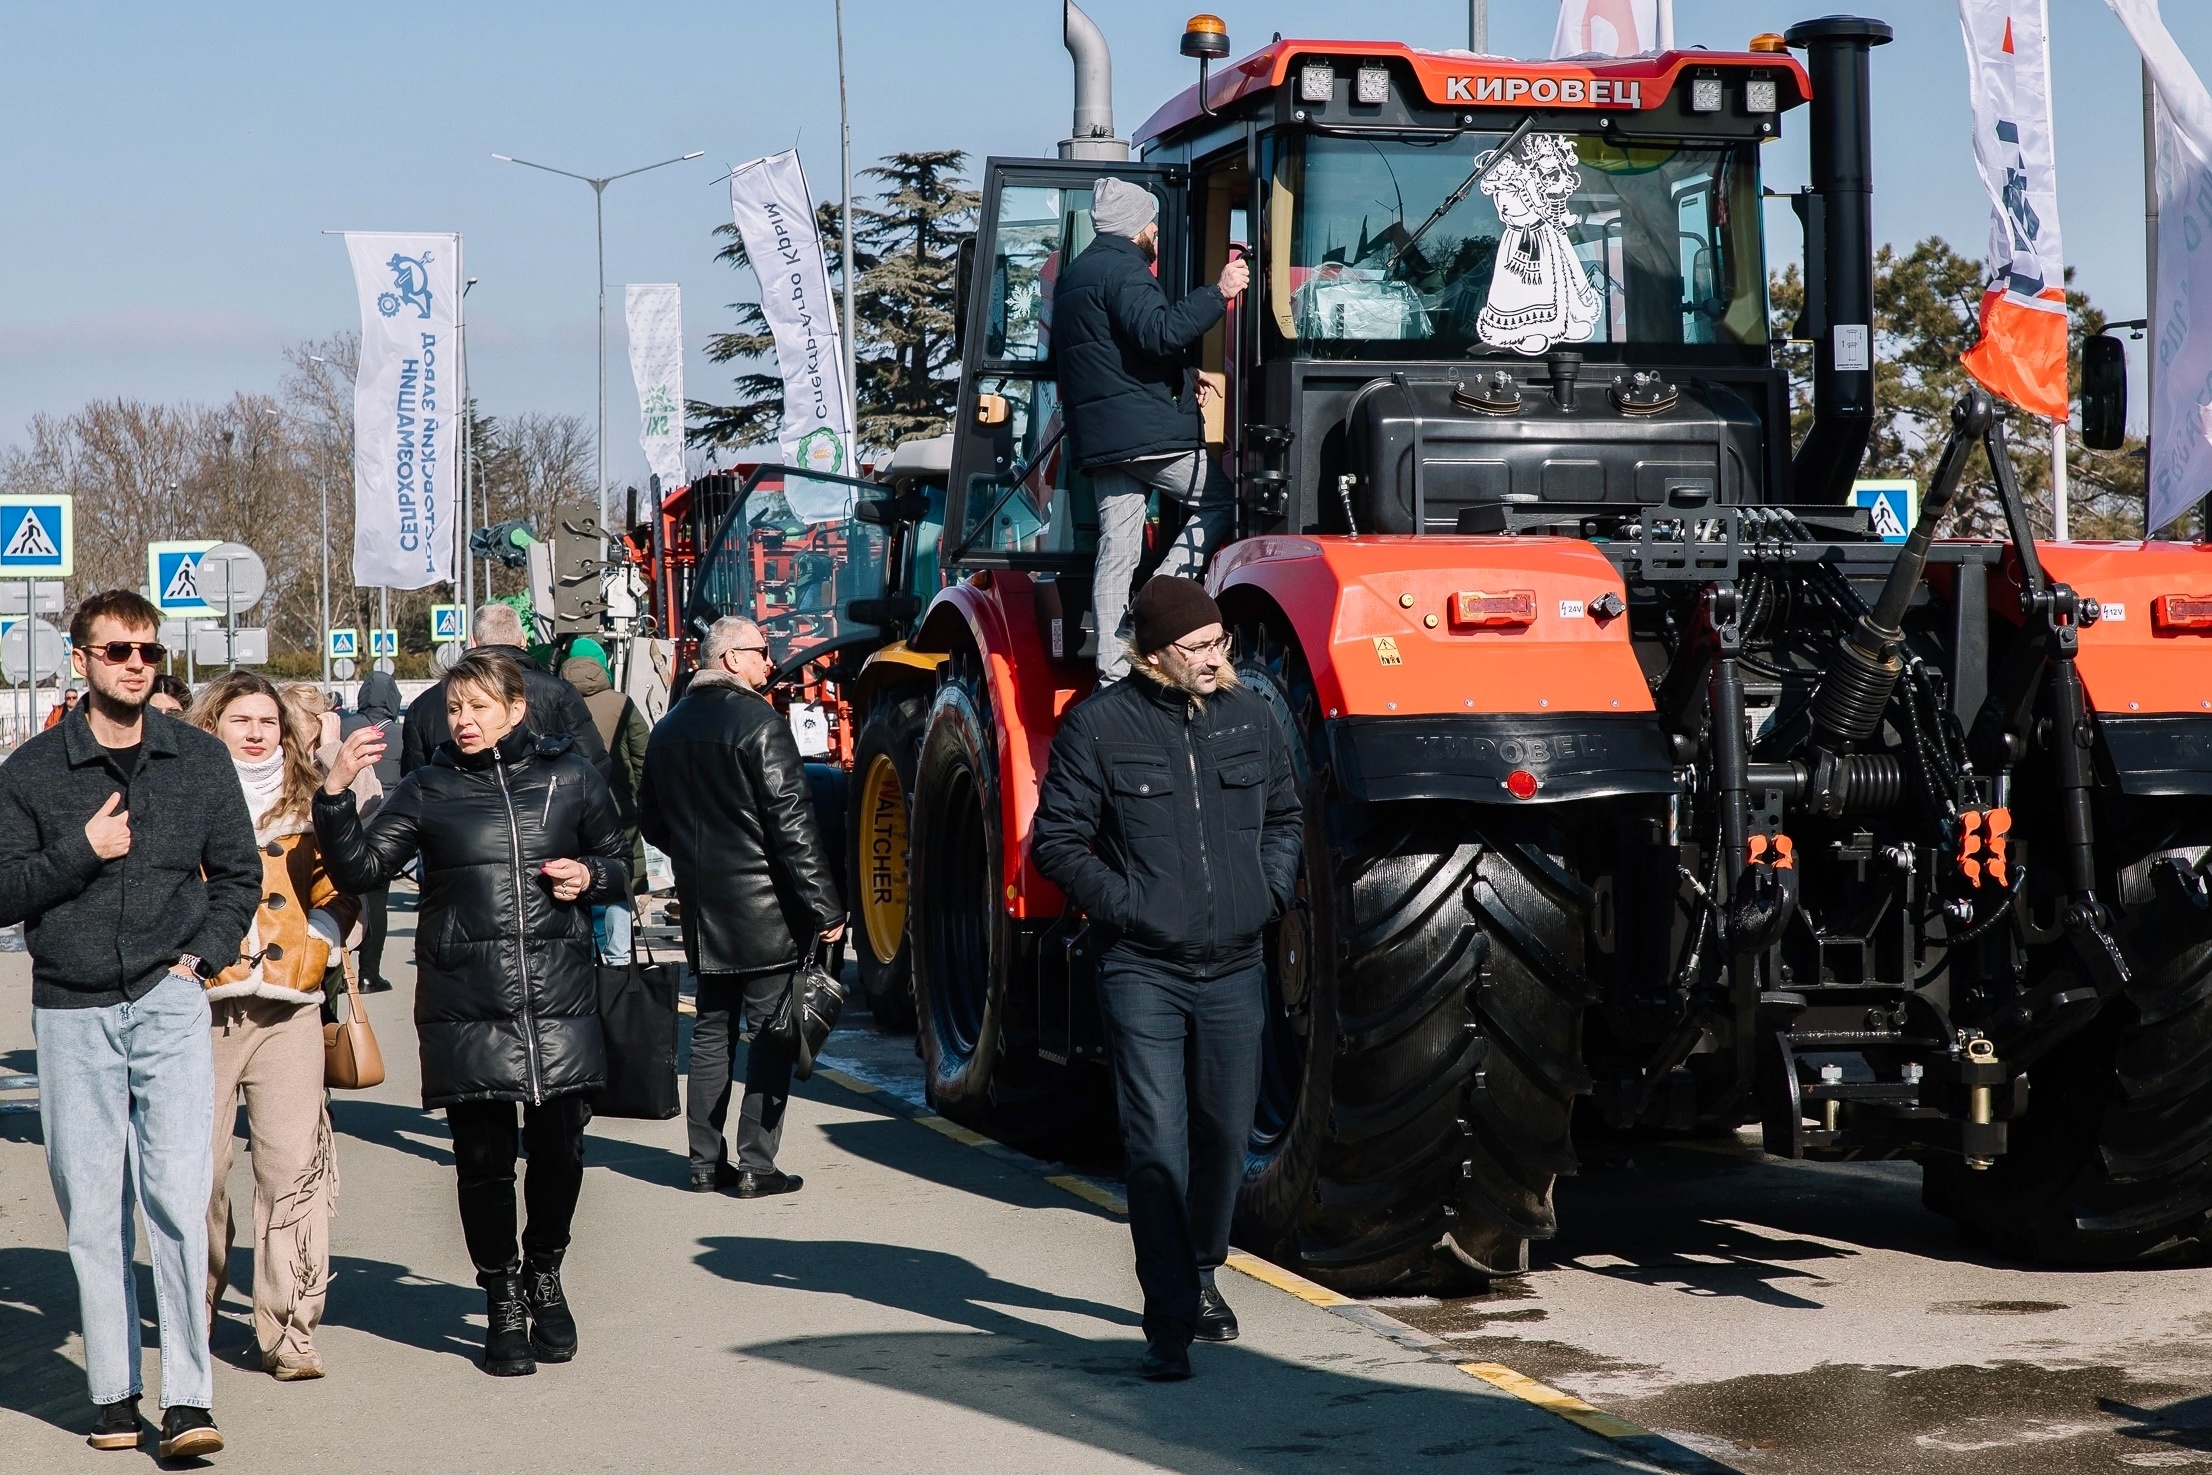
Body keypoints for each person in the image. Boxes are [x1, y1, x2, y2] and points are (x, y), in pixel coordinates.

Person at [315, 649, 627, 1377]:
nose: (463, 720)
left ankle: (544, 1274)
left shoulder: (570, 778)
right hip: (465, 1001)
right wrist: (333, 792)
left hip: (557, 997)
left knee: (559, 1153)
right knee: (483, 1164)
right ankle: (501, 1298)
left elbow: (618, 859)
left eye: (479, 707)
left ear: (516, 709)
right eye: (455, 708)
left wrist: (593, 874)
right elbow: (362, 868)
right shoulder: (427, 788)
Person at [0, 590, 259, 1457]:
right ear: (81, 661)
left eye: (148, 650)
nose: (137, 664)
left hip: (167, 998)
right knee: (91, 1207)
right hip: (71, 1008)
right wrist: (82, 850)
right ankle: (113, 1390)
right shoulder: (32, 771)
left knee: (180, 1199)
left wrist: (202, 960)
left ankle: (188, 1399)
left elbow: (237, 872)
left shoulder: (198, 758)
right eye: (118, 651)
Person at [1030, 576, 1301, 1382]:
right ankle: (1169, 1318)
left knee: (1225, 1134)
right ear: (1154, 655)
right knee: (1158, 1144)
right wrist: (1132, 910)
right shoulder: (1100, 726)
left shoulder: (1251, 715)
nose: (1218, 660)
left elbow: (1286, 816)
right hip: (1142, 968)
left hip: (1236, 966)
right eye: (1200, 649)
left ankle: (1206, 1264)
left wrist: (1270, 892)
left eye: (1222, 643)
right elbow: (1058, 843)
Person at [189, 673, 358, 1383]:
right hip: (200, 1005)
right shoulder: (181, 794)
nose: (257, 731)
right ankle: (192, 1310)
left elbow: (344, 890)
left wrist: (318, 942)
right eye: (241, 718)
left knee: (292, 1168)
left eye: (268, 719)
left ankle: (289, 1327)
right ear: (213, 724)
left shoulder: (309, 800)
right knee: (201, 1174)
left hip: (289, 1008)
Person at [638, 616, 843, 1197]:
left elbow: (652, 818)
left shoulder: (668, 729)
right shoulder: (760, 723)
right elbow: (794, 827)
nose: (769, 662)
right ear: (729, 659)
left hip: (705, 907)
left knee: (710, 1032)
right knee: (773, 1033)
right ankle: (757, 1163)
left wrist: (695, 861)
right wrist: (826, 908)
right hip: (766, 911)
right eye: (761, 652)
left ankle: (704, 1162)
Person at [1052, 176, 1250, 682]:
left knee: (1118, 548)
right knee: (1221, 500)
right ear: (1135, 227)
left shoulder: (1077, 275)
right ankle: (1154, 609)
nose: (1156, 235)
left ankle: (1113, 671)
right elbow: (1160, 333)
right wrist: (1220, 292)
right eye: (1153, 226)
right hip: (1144, 437)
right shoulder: (1127, 272)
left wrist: (1186, 374)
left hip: (1102, 438)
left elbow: (1115, 356)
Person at [399, 602, 609, 782]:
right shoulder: (559, 693)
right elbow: (593, 769)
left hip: (452, 823)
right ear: (523, 640)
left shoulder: (423, 705)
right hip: (545, 824)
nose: (464, 719)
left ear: (473, 641)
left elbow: (414, 783)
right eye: (454, 709)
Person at [560, 638, 651, 964]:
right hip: (618, 806)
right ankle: (618, 958)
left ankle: (586, 954)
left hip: (570, 807)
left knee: (577, 873)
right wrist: (641, 800)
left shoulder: (557, 703)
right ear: (603, 666)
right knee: (617, 876)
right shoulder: (621, 703)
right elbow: (643, 757)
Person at [340, 671, 407, 992]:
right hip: (385, 828)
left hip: (344, 823)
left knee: (337, 899)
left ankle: (339, 973)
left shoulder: (342, 729)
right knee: (377, 900)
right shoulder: (401, 735)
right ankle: (369, 974)